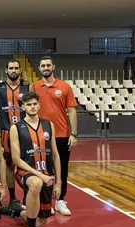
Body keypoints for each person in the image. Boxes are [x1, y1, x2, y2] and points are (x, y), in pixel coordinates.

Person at [5, 92, 61, 227]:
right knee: (36, 184)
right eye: (28, 104)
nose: (32, 107)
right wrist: (40, 175)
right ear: (23, 107)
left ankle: (18, 210)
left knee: (40, 225)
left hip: (47, 174)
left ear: (39, 105)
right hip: (25, 171)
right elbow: (16, 159)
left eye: (35, 104)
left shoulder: (48, 125)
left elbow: (56, 155)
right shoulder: (16, 128)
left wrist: (58, 182)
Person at [30, 56, 77, 216]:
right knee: (43, 169)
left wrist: (74, 133)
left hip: (62, 134)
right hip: (41, 135)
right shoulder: (34, 87)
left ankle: (61, 200)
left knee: (62, 169)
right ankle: (46, 201)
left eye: (48, 65)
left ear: (53, 67)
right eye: (43, 65)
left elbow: (71, 110)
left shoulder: (64, 87)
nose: (45, 67)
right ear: (39, 68)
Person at [0, 59, 28, 212]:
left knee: (28, 163)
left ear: (20, 71)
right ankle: (13, 198)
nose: (13, 70)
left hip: (25, 132)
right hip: (6, 132)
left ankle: (28, 197)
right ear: (6, 70)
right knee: (9, 165)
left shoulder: (28, 86)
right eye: (11, 68)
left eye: (16, 68)